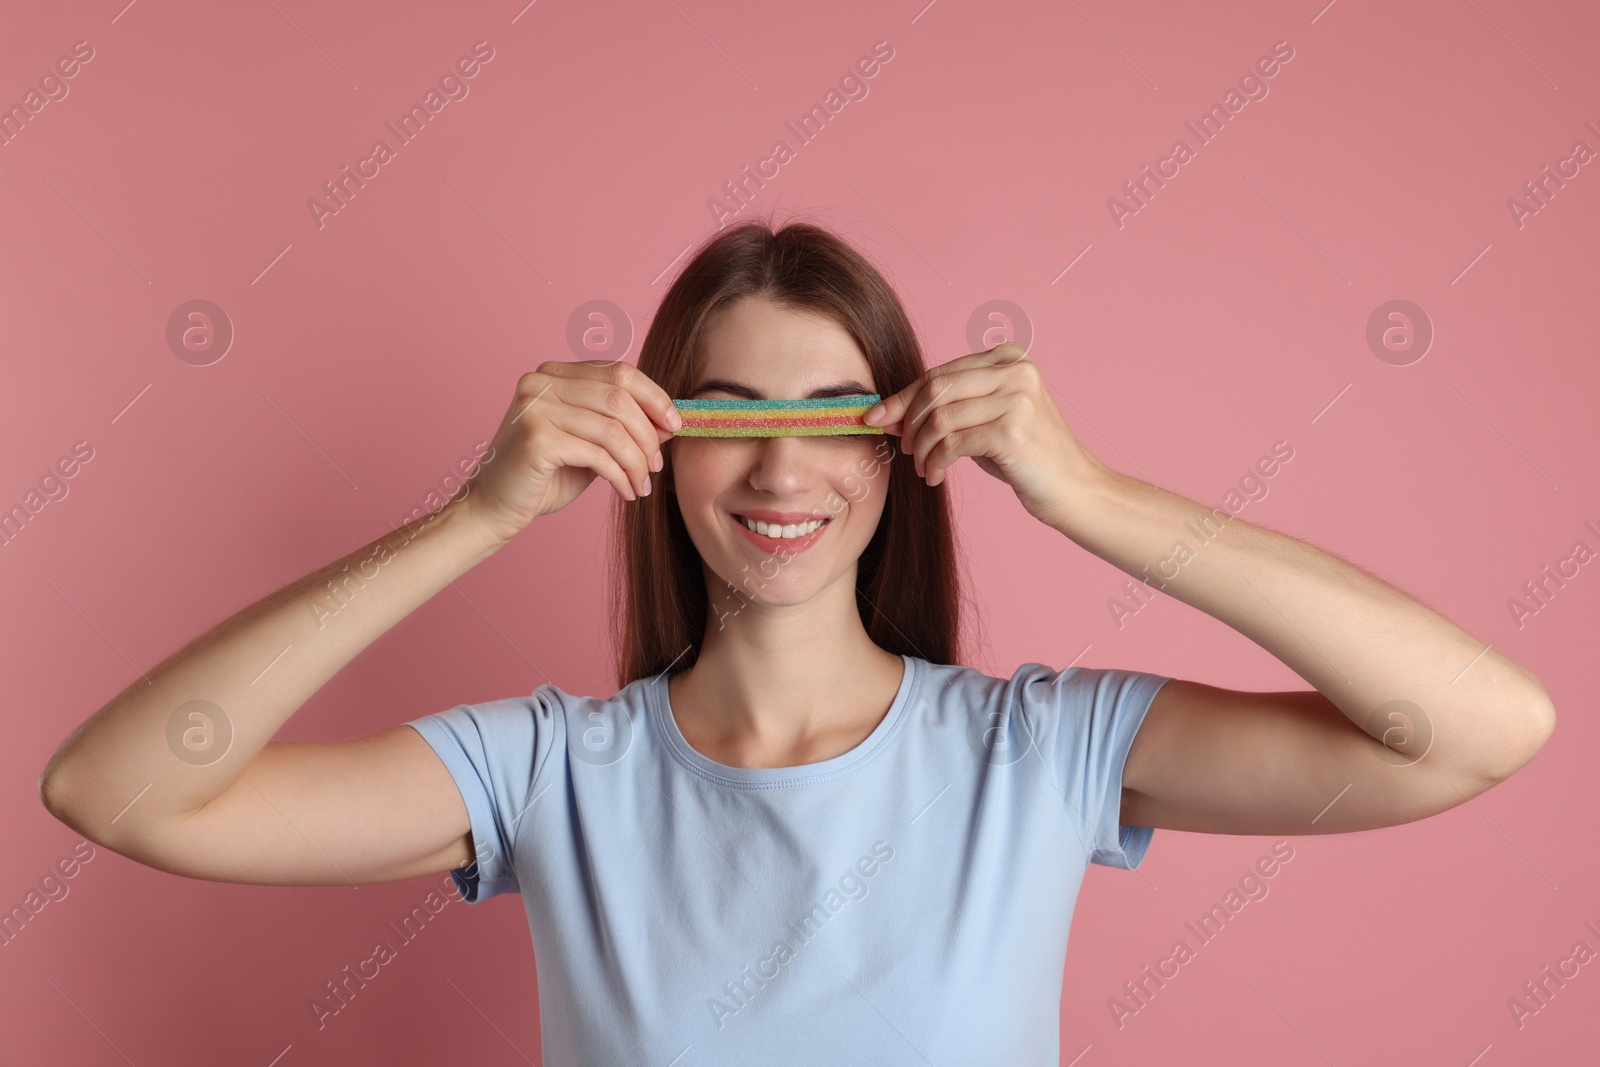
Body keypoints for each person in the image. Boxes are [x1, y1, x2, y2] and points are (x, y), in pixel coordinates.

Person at [39, 218, 1555, 1064]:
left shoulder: (1042, 750)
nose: (780, 475)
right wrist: (474, 520)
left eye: (834, 419)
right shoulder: (550, 773)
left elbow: (1482, 728)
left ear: (905, 449)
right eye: (725, 421)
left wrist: (1092, 499)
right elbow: (118, 790)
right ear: (651, 451)